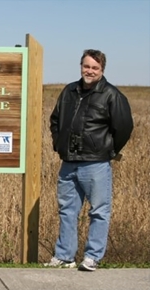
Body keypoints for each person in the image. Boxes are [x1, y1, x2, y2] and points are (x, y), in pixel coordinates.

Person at [45, 49, 133, 271]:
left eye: (95, 67)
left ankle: (92, 257)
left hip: (95, 164)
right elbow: (55, 120)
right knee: (67, 210)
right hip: (69, 163)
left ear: (102, 70)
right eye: (87, 66)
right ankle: (65, 256)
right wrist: (58, 143)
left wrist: (108, 150)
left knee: (99, 211)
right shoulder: (69, 91)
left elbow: (124, 127)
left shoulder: (112, 95)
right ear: (80, 66)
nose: (90, 71)